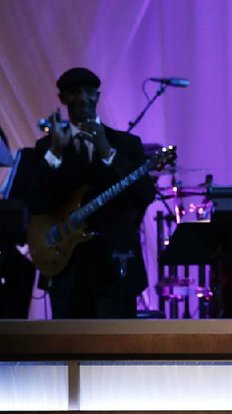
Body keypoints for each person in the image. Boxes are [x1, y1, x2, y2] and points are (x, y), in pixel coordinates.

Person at [26, 67, 155, 318]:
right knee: (69, 349)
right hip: (65, 268)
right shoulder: (47, 148)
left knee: (116, 350)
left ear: (97, 96)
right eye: (74, 93)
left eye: (88, 92)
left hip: (116, 265)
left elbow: (144, 195)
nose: (83, 99)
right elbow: (34, 204)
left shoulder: (126, 144)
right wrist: (56, 154)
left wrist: (108, 152)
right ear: (62, 99)